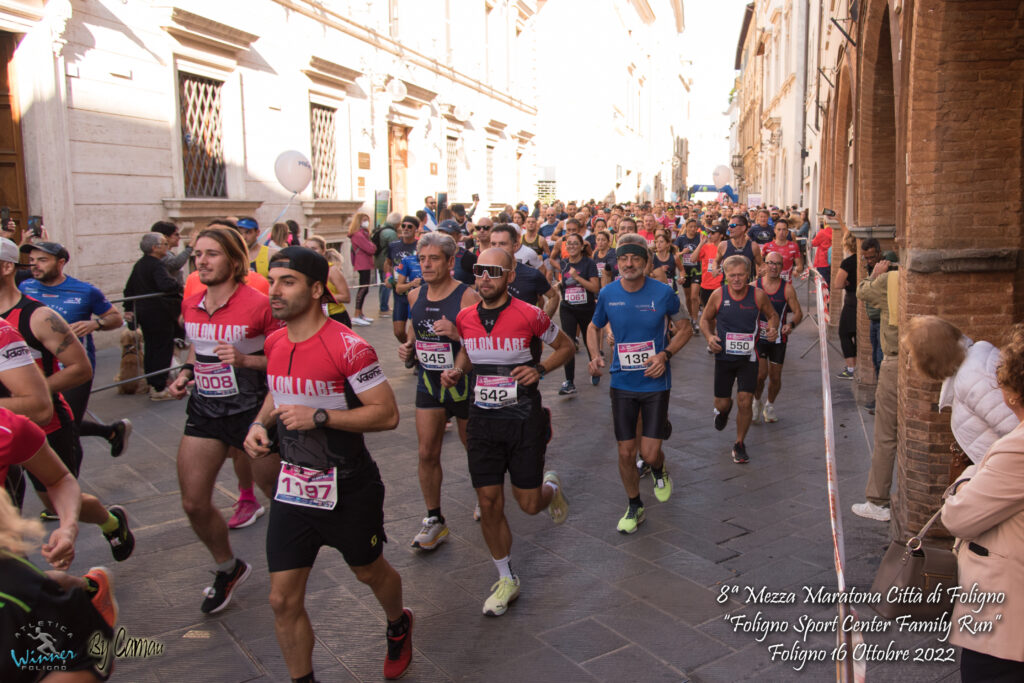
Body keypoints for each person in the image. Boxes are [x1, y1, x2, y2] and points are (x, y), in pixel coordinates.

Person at [244, 246, 412, 681]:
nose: (274, 291)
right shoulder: (276, 340)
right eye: (272, 281)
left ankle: (398, 622)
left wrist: (321, 416)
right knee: (282, 599)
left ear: (317, 289)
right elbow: (277, 391)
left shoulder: (350, 348)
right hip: (294, 487)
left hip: (348, 487)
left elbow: (387, 414)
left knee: (368, 572)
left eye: (287, 282)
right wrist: (259, 425)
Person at [440, 247, 573, 616]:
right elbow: (469, 349)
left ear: (511, 277)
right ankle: (506, 576)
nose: (484, 278)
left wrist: (541, 370)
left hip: (523, 419)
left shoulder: (530, 315)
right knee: (488, 501)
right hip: (481, 420)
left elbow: (567, 346)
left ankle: (552, 489)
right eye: (480, 270)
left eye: (494, 272)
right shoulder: (466, 316)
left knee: (529, 505)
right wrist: (457, 370)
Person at [166, 226, 283, 612]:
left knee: (278, 497)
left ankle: (291, 569)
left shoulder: (261, 303)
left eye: (211, 254)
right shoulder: (191, 303)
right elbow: (199, 353)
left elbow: (286, 359)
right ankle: (227, 567)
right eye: (197, 253)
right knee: (194, 503)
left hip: (253, 412)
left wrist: (247, 360)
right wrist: (185, 374)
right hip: (206, 410)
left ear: (234, 262)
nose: (201, 261)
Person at [0, 239, 134, 560]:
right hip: (6, 427)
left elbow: (80, 368)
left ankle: (111, 522)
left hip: (44, 423)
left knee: (54, 500)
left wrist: (30, 393)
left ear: (6, 267)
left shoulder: (37, 317)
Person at [586, 234, 693, 533]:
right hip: (621, 382)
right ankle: (635, 505)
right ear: (617, 262)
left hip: (655, 383)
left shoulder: (663, 293)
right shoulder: (608, 294)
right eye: (623, 259)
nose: (629, 264)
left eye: (635, 259)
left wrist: (665, 354)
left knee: (648, 453)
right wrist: (595, 355)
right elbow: (593, 326)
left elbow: (685, 328)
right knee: (624, 451)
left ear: (646, 263)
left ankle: (658, 467)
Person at [941, 322, 1024, 681]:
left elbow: (958, 517)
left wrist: (965, 480)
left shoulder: (1017, 448)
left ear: (1011, 392)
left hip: (1005, 622)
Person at [397, 233, 481, 549]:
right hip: (429, 383)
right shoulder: (414, 295)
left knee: (472, 447)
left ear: (449, 262)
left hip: (463, 384)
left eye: (434, 259)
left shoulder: (467, 297)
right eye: (422, 259)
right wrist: (408, 349)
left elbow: (480, 345)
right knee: (426, 451)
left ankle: (483, 494)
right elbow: (413, 334)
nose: (427, 265)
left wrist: (457, 338)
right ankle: (434, 519)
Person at [18, 242, 127, 457]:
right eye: (32, 261)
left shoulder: (85, 291)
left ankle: (67, 480)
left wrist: (96, 324)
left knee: (68, 426)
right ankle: (111, 431)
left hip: (73, 368)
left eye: (42, 260)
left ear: (61, 263)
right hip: (35, 368)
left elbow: (115, 318)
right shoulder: (25, 287)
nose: (35, 266)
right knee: (49, 419)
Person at [903, 316, 1016, 464]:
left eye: (913, 355)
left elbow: (1014, 430)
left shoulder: (973, 377)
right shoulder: (976, 357)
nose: (910, 362)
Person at [700, 255, 780, 464]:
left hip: (748, 358)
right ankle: (724, 412)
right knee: (722, 403)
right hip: (724, 358)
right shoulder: (718, 295)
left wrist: (773, 328)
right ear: (725, 276)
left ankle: (739, 443)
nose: (736, 279)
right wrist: (709, 337)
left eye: (741, 275)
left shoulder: (758, 296)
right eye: (731, 275)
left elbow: (772, 315)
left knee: (745, 402)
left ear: (748, 275)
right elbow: (705, 320)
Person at [850, 254, 899, 521]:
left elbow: (862, 291)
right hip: (927, 360)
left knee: (886, 435)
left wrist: (875, 274)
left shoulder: (889, 280)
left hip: (896, 360)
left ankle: (878, 500)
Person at [123, 232, 183, 400]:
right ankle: (158, 387)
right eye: (164, 243)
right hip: (159, 313)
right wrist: (178, 285)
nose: (167, 246)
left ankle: (153, 384)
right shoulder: (156, 265)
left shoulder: (140, 265)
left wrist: (129, 308)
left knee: (152, 349)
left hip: (145, 313)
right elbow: (165, 284)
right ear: (154, 248)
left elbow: (129, 290)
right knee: (162, 349)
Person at [751, 252, 803, 424]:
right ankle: (756, 401)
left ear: (782, 267)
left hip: (778, 340)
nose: (773, 267)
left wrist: (791, 325)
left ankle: (769, 405)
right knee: (759, 375)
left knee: (775, 377)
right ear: (764, 265)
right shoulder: (754, 286)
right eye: (770, 263)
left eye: (778, 264)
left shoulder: (787, 288)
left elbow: (798, 313)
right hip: (759, 339)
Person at [556, 233, 600, 394]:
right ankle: (569, 382)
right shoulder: (564, 262)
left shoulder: (589, 264)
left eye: (575, 243)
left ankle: (594, 368)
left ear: (582, 247)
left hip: (586, 308)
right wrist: (560, 286)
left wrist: (577, 277)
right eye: (569, 244)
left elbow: (595, 288)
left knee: (590, 342)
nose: (572, 246)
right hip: (568, 307)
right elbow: (566, 283)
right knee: (568, 343)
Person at [489, 224, 560, 319]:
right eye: (493, 244)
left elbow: (554, 297)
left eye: (502, 244)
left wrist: (542, 324)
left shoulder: (531, 274)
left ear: (515, 246)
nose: (497, 248)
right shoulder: (484, 273)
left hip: (524, 331)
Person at [303, 235, 351, 327]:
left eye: (314, 248)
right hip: (313, 318)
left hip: (335, 317)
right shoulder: (302, 270)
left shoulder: (331, 270)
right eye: (306, 248)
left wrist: (323, 298)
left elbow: (346, 297)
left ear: (323, 251)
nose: (310, 252)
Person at [833, 232, 859, 380]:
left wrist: (846, 283)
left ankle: (851, 368)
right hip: (864, 299)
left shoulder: (848, 262)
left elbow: (837, 284)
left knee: (845, 333)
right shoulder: (864, 260)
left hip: (851, 301)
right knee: (857, 333)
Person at [348, 213, 377, 325]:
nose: (366, 222)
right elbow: (371, 248)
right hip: (362, 263)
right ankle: (356, 314)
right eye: (364, 220)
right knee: (363, 288)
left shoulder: (364, 234)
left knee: (365, 288)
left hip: (366, 262)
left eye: (367, 220)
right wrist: (372, 246)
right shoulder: (358, 235)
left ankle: (360, 313)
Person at [675, 219, 702, 323]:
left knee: (694, 296)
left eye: (695, 227)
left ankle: (695, 319)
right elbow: (674, 254)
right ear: (686, 227)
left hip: (697, 270)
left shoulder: (699, 237)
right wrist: (682, 252)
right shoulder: (681, 238)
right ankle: (691, 316)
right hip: (685, 271)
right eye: (690, 226)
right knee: (688, 297)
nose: (693, 229)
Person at [151, 220, 193, 288]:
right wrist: (190, 246)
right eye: (176, 234)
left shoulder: (168, 254)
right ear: (165, 237)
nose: (179, 237)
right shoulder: (161, 255)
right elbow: (175, 263)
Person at [373, 212, 400, 316]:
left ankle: (383, 306)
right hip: (386, 262)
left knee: (384, 284)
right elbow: (395, 249)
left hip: (379, 260)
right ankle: (384, 307)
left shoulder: (381, 229)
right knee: (387, 284)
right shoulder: (391, 233)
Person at [811, 221, 833, 286]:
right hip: (831, 261)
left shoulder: (822, 232)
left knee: (823, 285)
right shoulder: (835, 233)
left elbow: (814, 243)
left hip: (822, 262)